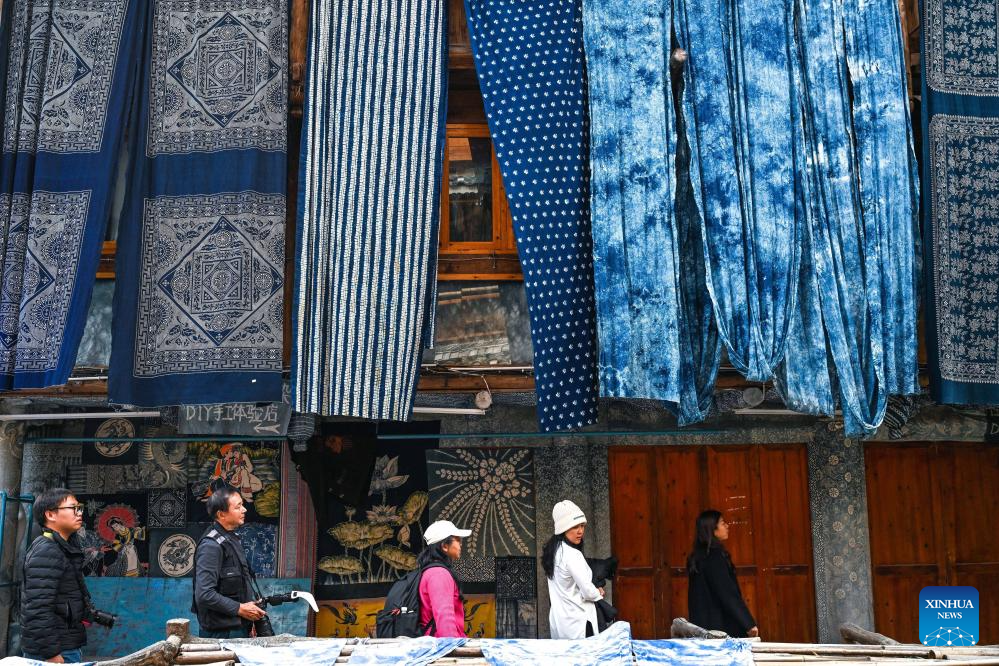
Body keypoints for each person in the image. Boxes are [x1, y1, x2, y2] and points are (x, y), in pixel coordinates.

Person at [21, 488, 90, 663]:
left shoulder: (62, 547)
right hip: (55, 652)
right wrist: (51, 653)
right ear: (50, 514)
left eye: (79, 508)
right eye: (73, 508)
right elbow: (37, 609)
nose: (79, 513)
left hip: (66, 646)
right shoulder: (46, 550)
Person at [192, 487, 266, 638]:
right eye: (238, 507)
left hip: (238, 628)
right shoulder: (211, 546)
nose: (244, 510)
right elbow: (205, 594)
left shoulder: (231, 539)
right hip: (222, 634)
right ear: (221, 514)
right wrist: (240, 609)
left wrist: (249, 611)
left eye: (242, 505)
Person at [687, 509, 759, 638]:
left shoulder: (696, 557)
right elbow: (727, 593)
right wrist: (748, 623)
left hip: (702, 626)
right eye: (722, 523)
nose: (727, 526)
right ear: (712, 529)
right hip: (720, 627)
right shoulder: (714, 557)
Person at [542, 500, 604, 639]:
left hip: (560, 622)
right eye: (575, 526)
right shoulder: (572, 554)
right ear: (563, 528)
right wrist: (598, 592)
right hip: (579, 621)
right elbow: (588, 592)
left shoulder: (553, 552)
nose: (580, 531)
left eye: (582, 525)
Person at [417, 519, 471, 637]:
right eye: (457, 540)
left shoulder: (431, 571)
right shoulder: (439, 574)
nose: (461, 544)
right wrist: (451, 645)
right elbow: (445, 618)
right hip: (441, 644)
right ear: (445, 546)